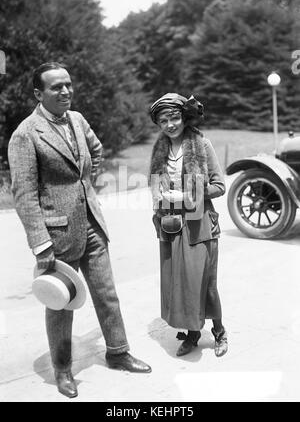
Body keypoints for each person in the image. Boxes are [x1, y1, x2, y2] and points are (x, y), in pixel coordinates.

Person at [8, 62, 151, 399]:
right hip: (57, 236)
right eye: (56, 87)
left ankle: (118, 352)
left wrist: (84, 185)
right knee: (60, 304)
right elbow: (24, 195)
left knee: (107, 292)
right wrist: (41, 243)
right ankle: (62, 370)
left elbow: (96, 149)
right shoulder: (25, 134)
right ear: (38, 93)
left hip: (92, 224)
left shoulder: (78, 119)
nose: (66, 92)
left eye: (68, 85)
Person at [149, 92, 228, 358]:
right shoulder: (159, 149)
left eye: (174, 118)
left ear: (183, 117)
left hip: (200, 224)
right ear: (158, 124)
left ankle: (219, 332)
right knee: (180, 282)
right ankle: (193, 333)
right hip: (172, 225)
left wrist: (188, 195)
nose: (170, 125)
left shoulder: (200, 144)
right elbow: (156, 186)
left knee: (205, 282)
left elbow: (219, 186)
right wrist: (159, 204)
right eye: (163, 120)